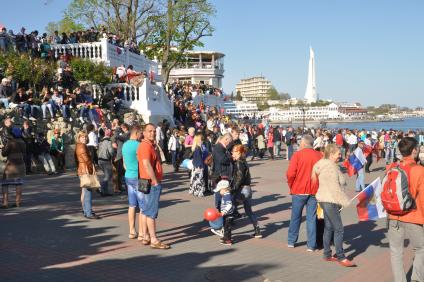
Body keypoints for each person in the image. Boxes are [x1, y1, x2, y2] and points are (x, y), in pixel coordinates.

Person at [387, 137, 424, 282]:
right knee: (421, 249)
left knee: (396, 252)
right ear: (414, 150)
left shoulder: (391, 167)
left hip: (393, 216)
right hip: (413, 217)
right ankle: (416, 278)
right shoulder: (419, 170)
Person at [312, 144, 355, 267]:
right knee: (339, 229)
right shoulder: (331, 167)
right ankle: (341, 257)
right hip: (330, 200)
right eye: (338, 154)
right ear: (331, 155)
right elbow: (335, 188)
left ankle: (327, 254)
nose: (340, 156)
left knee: (329, 227)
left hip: (323, 198)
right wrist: (344, 201)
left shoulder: (323, 164)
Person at [286, 134, 322, 251]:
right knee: (311, 218)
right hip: (314, 190)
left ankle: (291, 241)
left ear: (304, 143)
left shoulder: (297, 155)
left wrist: (292, 185)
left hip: (299, 189)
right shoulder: (319, 155)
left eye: (300, 142)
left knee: (295, 216)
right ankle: (311, 245)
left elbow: (291, 173)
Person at [137, 123, 169, 249]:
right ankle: (154, 239)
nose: (153, 133)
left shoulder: (149, 145)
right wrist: (155, 181)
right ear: (143, 133)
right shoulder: (145, 146)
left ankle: (145, 236)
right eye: (149, 131)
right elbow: (146, 164)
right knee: (151, 212)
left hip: (145, 181)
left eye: (154, 131)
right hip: (150, 182)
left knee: (145, 210)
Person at [231, 144, 262, 238]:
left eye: (234, 152)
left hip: (242, 190)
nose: (232, 153)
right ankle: (257, 231)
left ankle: (227, 232)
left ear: (239, 153)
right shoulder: (244, 161)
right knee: (249, 211)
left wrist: (233, 188)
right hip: (248, 189)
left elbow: (240, 177)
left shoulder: (239, 162)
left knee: (230, 208)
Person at [122, 125, 144, 241]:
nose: (141, 136)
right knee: (142, 206)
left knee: (131, 205)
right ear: (136, 133)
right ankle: (141, 233)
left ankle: (131, 230)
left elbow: (124, 163)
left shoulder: (125, 145)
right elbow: (142, 161)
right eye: (140, 134)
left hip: (128, 176)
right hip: (139, 177)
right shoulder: (139, 145)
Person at [75, 131, 99, 219]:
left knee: (85, 192)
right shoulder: (81, 146)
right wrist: (92, 167)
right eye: (82, 137)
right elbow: (86, 160)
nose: (84, 138)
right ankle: (88, 212)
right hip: (85, 170)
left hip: (82, 169)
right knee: (88, 192)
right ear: (79, 138)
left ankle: (86, 211)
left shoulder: (79, 146)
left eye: (85, 137)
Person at [1, 127, 26, 208]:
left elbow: (4, 153)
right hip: (21, 165)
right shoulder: (22, 142)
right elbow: (24, 153)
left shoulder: (11, 142)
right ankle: (18, 202)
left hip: (11, 166)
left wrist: (3, 147)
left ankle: (5, 203)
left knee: (5, 184)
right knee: (18, 183)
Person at [212, 180, 234, 246]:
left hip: (228, 215)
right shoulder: (225, 195)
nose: (219, 192)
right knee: (225, 227)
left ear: (224, 189)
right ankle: (225, 237)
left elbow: (229, 205)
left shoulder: (227, 196)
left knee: (227, 228)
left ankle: (228, 240)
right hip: (226, 215)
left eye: (220, 190)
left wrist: (224, 212)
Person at [97, 129, 114, 196]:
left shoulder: (101, 141)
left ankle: (105, 192)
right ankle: (101, 189)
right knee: (108, 176)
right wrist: (113, 155)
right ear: (109, 134)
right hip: (105, 160)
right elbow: (111, 151)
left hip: (100, 160)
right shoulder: (108, 142)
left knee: (106, 176)